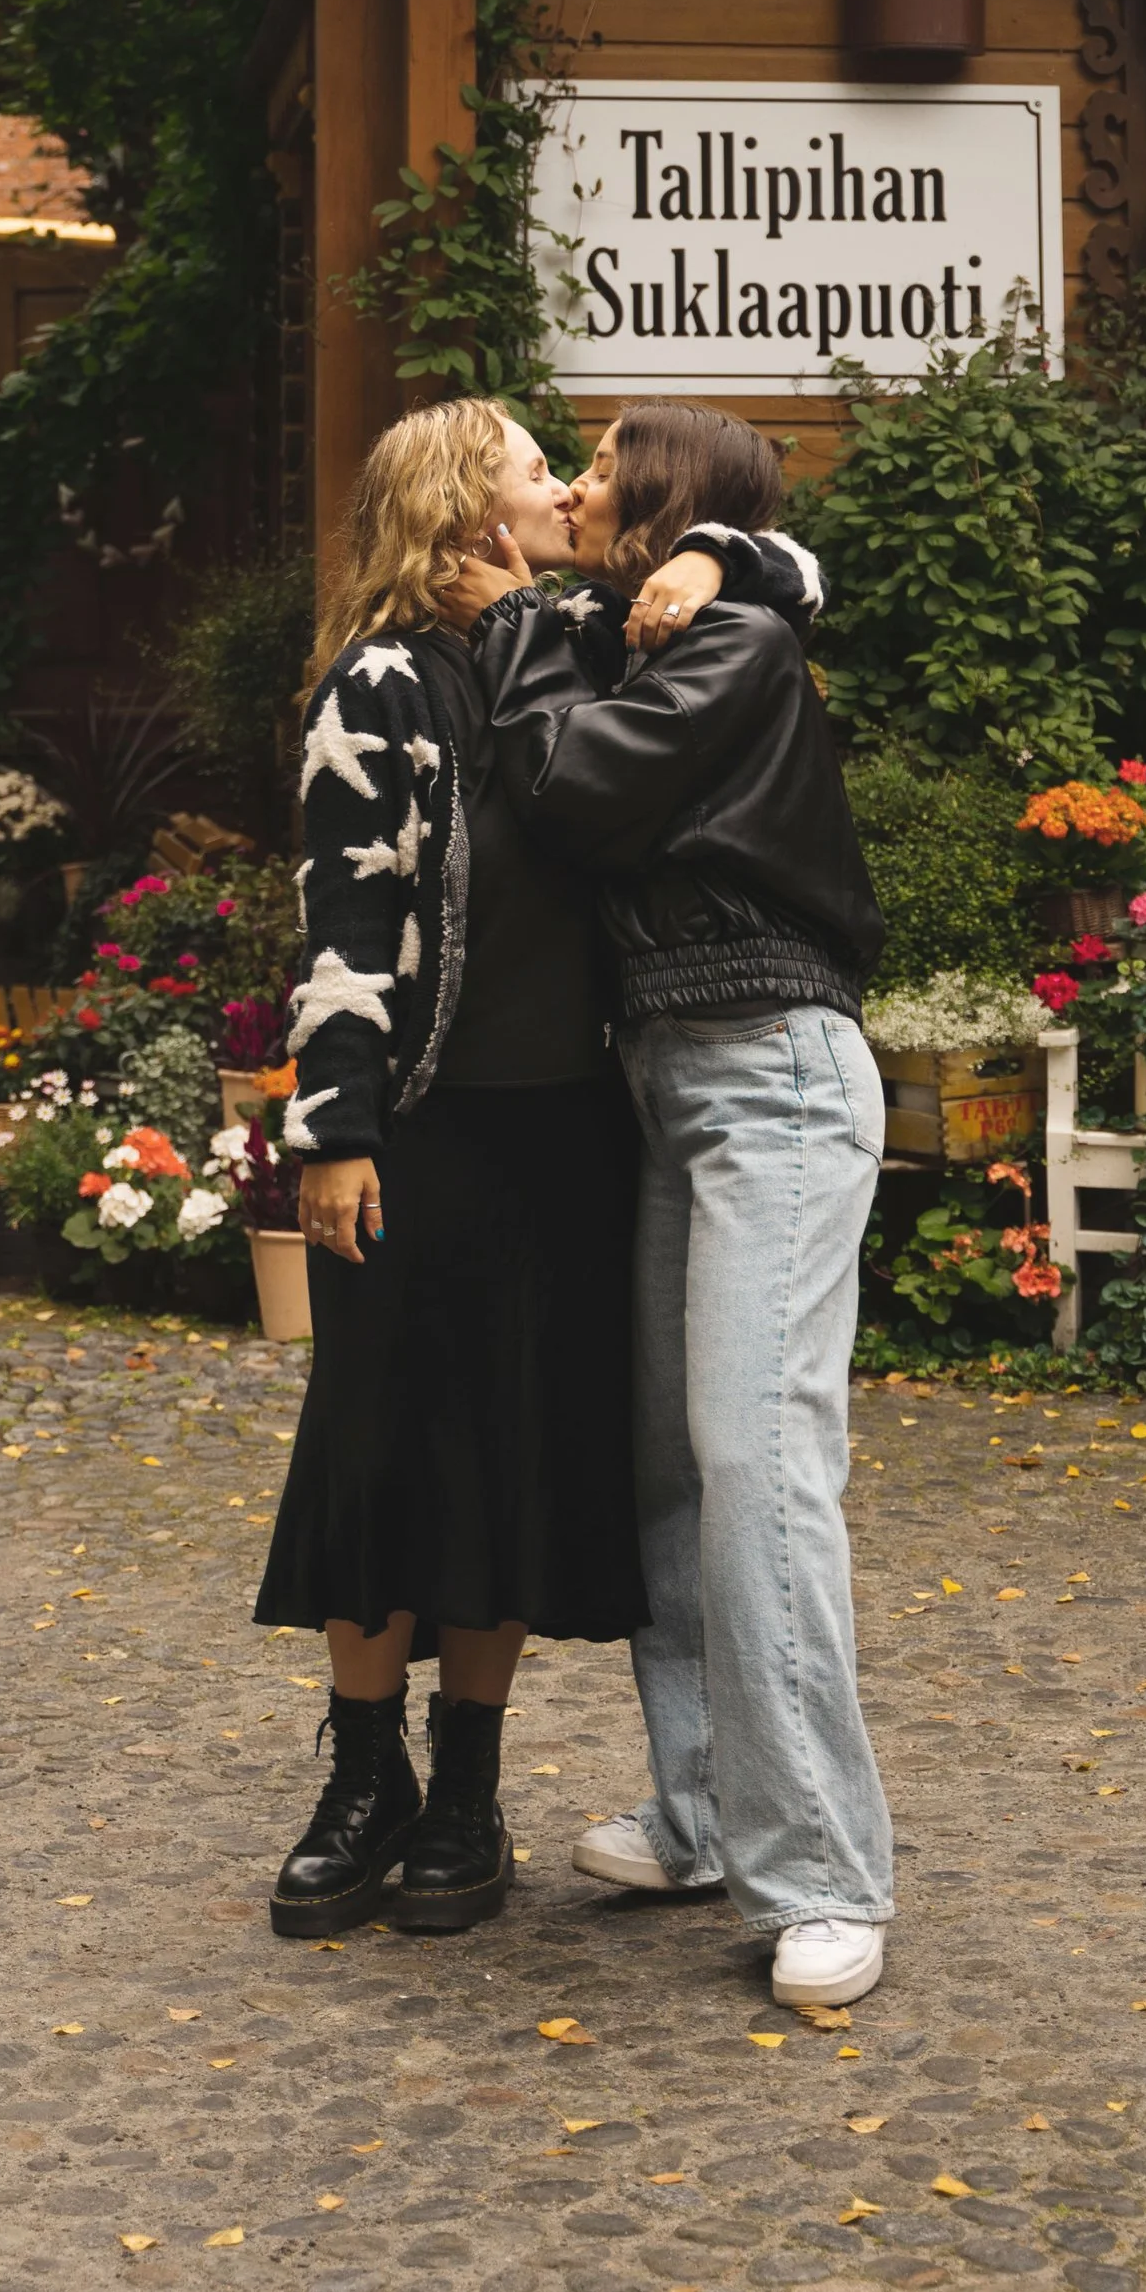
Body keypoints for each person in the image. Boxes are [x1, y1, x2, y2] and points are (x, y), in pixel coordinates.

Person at [252, 398, 803, 1942]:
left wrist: (713, 554)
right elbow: (343, 920)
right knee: (378, 1448)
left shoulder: (580, 642)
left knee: (507, 1452)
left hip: (569, 1131)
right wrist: (333, 1132)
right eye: (532, 467)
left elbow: (795, 581)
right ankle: (365, 1779)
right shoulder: (379, 681)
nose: (565, 488)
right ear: (465, 507)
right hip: (418, 1129)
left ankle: (470, 1794)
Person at [449, 401, 894, 2008]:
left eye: (594, 467)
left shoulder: (733, 647)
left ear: (661, 493)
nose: (569, 488)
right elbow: (780, 560)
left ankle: (823, 1871)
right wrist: (720, 554)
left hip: (773, 1071)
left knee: (756, 1462)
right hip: (663, 1078)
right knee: (671, 1472)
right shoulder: (654, 624)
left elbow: (574, 786)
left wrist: (690, 572)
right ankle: (707, 1812)